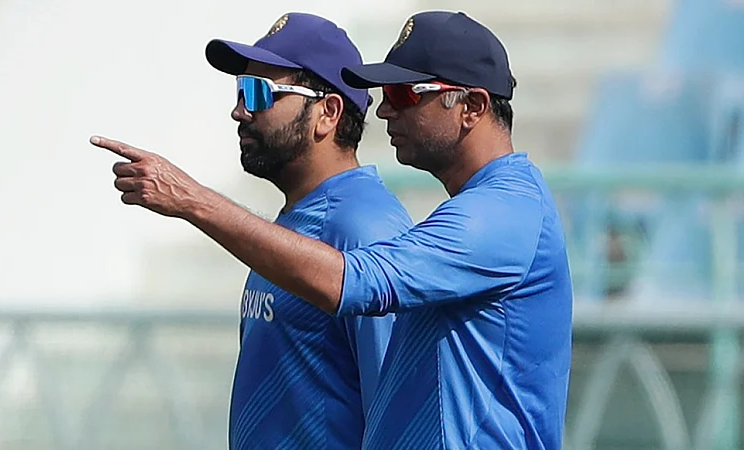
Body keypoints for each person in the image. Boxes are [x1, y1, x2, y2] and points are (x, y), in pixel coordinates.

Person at [91, 10, 572, 450]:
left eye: (404, 94)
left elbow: (357, 284)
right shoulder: (483, 209)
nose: (384, 111)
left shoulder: (502, 212)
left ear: (472, 106)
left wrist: (192, 199)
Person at [100, 12, 413, 450]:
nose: (239, 110)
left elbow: (399, 411)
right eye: (240, 90)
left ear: (328, 113)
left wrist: (192, 199)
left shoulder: (364, 227)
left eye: (259, 92)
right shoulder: (301, 216)